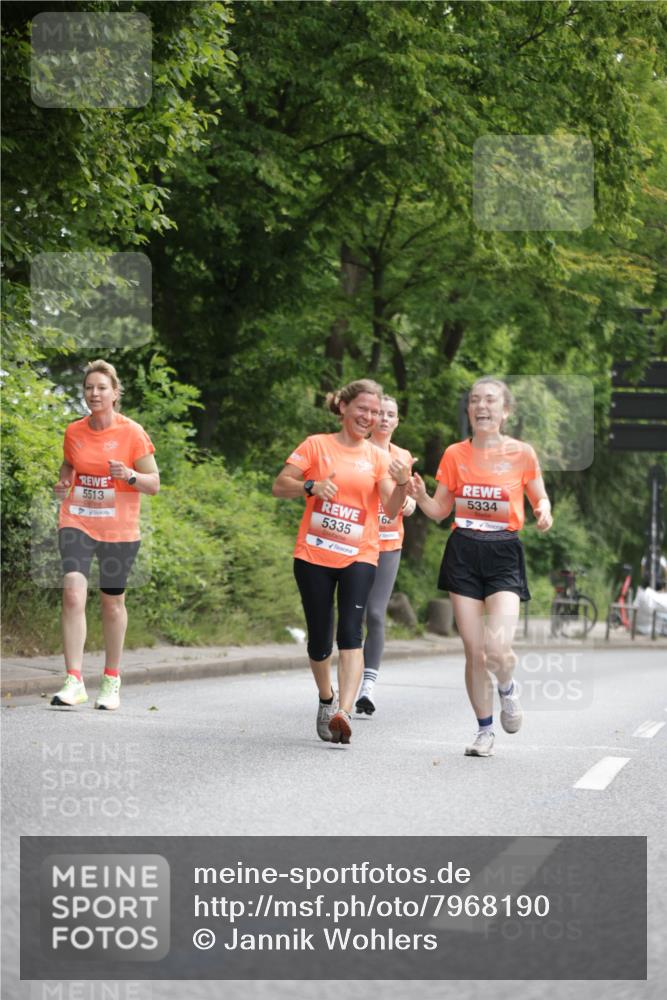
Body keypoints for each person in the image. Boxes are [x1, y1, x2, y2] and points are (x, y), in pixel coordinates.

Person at [411, 377, 552, 757]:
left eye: (490, 400)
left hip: (503, 552)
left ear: (506, 411)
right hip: (464, 551)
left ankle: (507, 687)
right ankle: (484, 731)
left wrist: (543, 512)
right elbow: (440, 510)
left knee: (497, 649)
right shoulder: (455, 454)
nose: (481, 406)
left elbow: (540, 498)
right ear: (469, 409)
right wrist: (421, 495)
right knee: (475, 651)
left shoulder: (522, 453)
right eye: (475, 400)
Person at [272, 379, 412, 745]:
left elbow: (391, 510)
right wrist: (310, 487)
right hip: (314, 553)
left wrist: (401, 485)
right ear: (344, 407)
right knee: (320, 639)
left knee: (351, 632)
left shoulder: (379, 457)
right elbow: (280, 485)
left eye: (375, 412)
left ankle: (344, 712)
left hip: (360, 555)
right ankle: (326, 698)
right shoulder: (316, 445)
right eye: (363, 409)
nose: (369, 417)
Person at [51, 359, 159, 711]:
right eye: (89, 388)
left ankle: (111, 679)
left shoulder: (132, 433)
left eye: (101, 388)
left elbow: (154, 484)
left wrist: (129, 475)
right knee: (72, 591)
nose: (94, 393)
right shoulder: (74, 431)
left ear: (115, 393)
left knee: (112, 603)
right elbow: (70, 464)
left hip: (118, 527)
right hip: (78, 520)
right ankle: (74, 680)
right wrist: (65, 481)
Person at [356, 395, 416, 716]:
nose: (384, 419)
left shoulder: (403, 456)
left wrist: (410, 503)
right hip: (357, 542)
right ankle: (347, 681)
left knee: (376, 614)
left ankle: (368, 687)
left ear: (397, 421)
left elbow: (411, 497)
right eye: (379, 413)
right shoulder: (358, 450)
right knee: (353, 614)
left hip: (390, 542)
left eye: (390, 414)